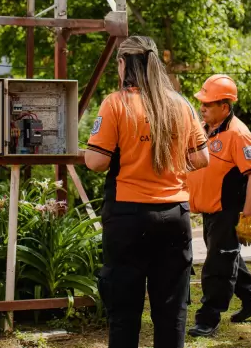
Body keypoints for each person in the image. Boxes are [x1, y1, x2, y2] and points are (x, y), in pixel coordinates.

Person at [84, 35, 209, 348]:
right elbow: (200, 158)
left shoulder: (116, 103)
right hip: (175, 217)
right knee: (172, 312)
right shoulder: (181, 105)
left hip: (128, 218)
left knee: (124, 312)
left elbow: (97, 162)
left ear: (124, 64)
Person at [187, 74, 251, 338]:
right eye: (201, 102)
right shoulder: (203, 129)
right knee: (224, 255)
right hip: (209, 211)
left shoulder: (238, 134)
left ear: (225, 107)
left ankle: (208, 317)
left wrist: (247, 218)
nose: (202, 107)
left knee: (217, 265)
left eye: (208, 104)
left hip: (227, 210)